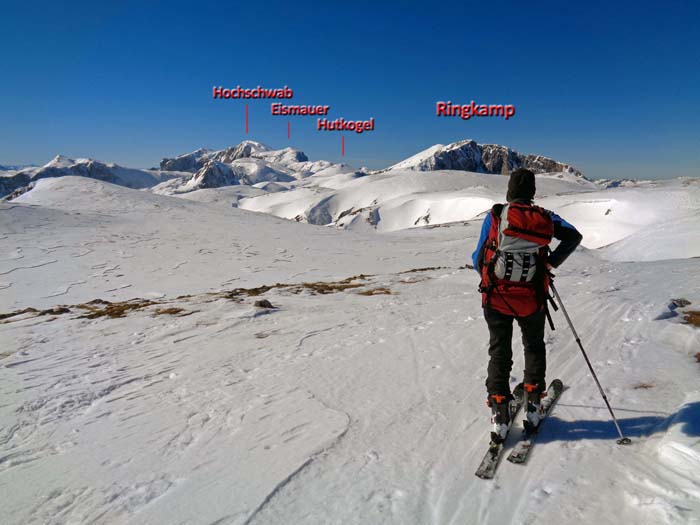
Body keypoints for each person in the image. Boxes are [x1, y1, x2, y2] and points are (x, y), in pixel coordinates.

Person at [471, 168, 582, 444]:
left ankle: (499, 414)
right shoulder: (545, 218)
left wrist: (494, 278)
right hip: (531, 298)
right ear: (532, 193)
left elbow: (478, 258)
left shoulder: (496, 216)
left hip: (496, 297)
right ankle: (533, 408)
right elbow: (573, 237)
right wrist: (550, 262)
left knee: (499, 351)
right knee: (533, 345)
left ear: (509, 191)